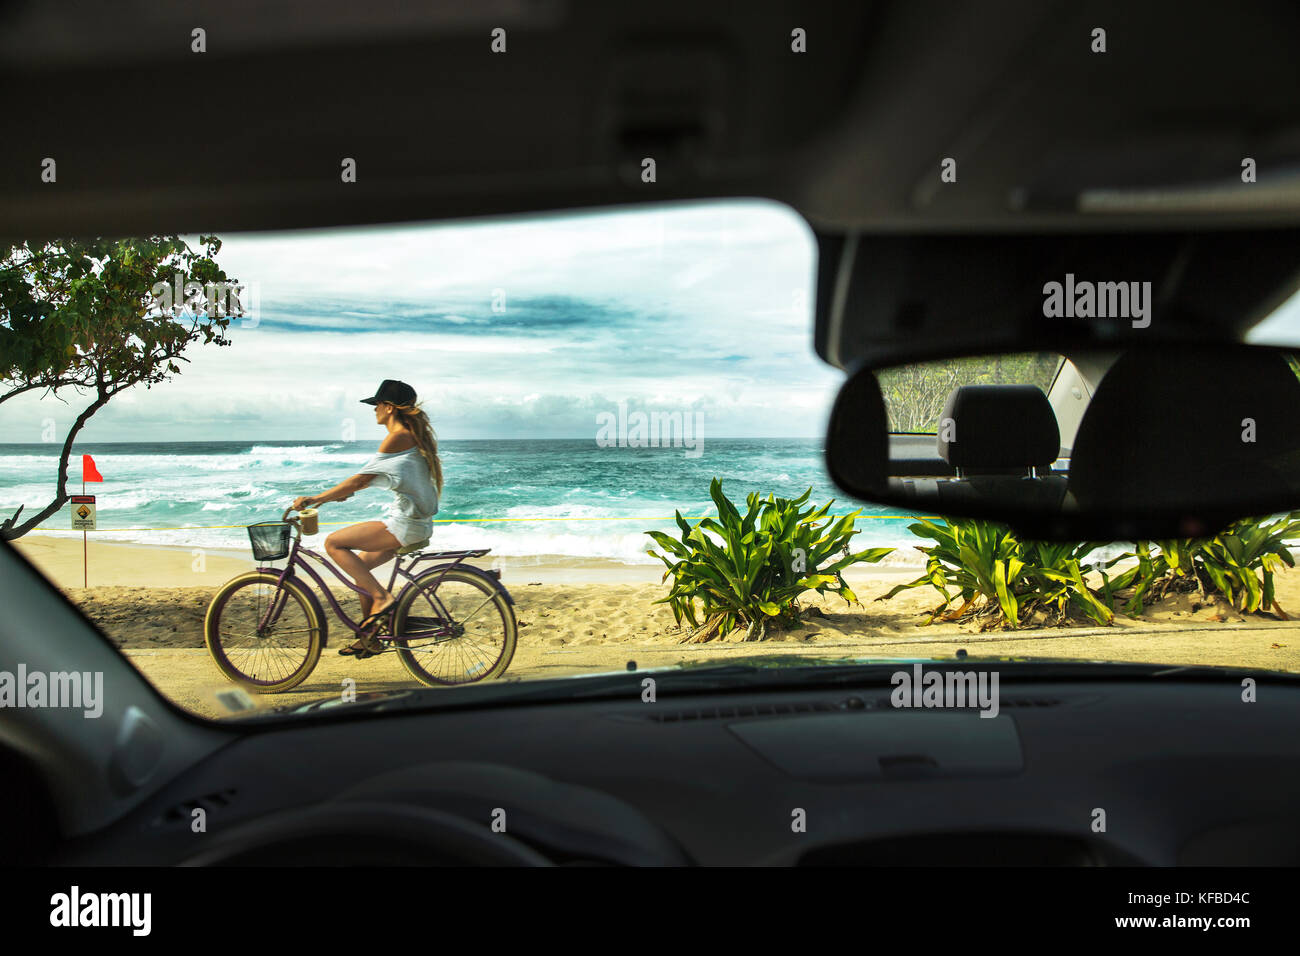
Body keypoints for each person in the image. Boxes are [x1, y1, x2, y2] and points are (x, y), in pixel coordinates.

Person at [292, 379, 443, 657]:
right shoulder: (411, 435)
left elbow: (360, 480)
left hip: (406, 525)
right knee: (361, 570)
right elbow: (374, 478)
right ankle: (368, 637)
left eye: (376, 405)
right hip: (415, 524)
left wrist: (316, 499)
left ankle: (383, 599)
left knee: (334, 543)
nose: (374, 411)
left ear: (388, 407)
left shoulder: (397, 437)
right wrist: (343, 492)